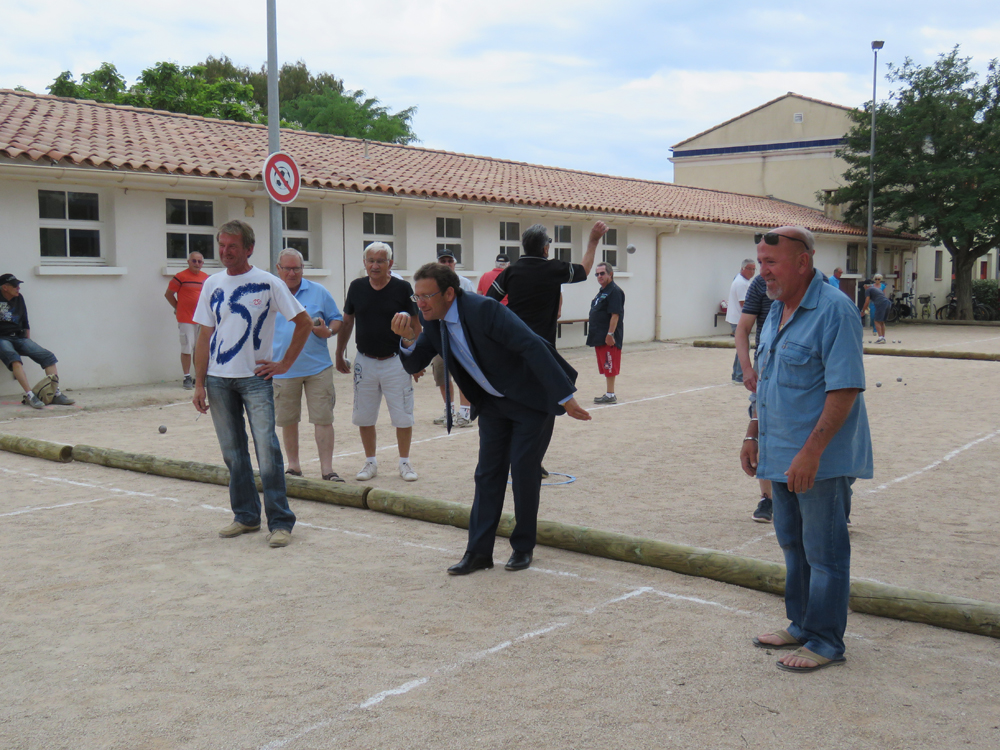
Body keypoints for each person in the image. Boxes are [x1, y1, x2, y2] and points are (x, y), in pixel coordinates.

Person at [391, 262, 591, 574]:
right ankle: (479, 553)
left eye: (426, 296)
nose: (421, 303)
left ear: (449, 293)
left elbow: (532, 344)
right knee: (487, 474)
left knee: (524, 472)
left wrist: (565, 396)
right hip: (495, 403)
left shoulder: (484, 310)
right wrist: (405, 339)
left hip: (530, 399)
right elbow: (415, 361)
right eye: (416, 298)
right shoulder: (432, 320)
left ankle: (522, 548)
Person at [741, 226, 872, 673]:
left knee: (825, 551)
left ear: (803, 262)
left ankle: (826, 641)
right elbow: (767, 377)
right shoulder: (777, 309)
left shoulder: (835, 311)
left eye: (771, 263)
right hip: (779, 452)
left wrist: (812, 453)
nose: (763, 272)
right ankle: (801, 623)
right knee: (792, 544)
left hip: (818, 460)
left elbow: (846, 388)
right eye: (760, 262)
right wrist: (753, 431)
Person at [192, 220, 312, 548]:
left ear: (248, 249)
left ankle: (280, 522)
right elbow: (204, 335)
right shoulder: (212, 284)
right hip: (218, 379)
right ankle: (245, 516)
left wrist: (284, 363)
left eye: (232, 246)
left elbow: (303, 323)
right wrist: (199, 383)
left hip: (256, 379)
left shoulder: (268, 283)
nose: (225, 252)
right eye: (221, 245)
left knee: (268, 451)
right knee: (233, 453)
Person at [487, 220, 607, 475]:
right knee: (546, 407)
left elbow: (489, 304)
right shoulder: (553, 269)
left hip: (513, 350)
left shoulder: (512, 271)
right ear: (544, 249)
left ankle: (514, 458)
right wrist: (594, 240)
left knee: (514, 404)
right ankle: (532, 461)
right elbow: (585, 270)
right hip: (543, 352)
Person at [335, 242, 421, 482]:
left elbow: (416, 325)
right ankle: (370, 462)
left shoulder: (403, 288)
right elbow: (347, 321)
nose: (375, 265)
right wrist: (339, 352)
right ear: (364, 263)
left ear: (390, 264)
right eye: (371, 260)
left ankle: (404, 463)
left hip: (396, 361)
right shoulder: (356, 287)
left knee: (403, 415)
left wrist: (417, 359)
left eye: (380, 261)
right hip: (365, 361)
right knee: (364, 416)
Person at [271, 248, 345, 482]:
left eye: (297, 268)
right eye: (288, 268)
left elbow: (337, 318)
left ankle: (327, 470)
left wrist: (329, 331)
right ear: (278, 269)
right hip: (282, 368)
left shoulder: (318, 291)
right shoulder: (269, 293)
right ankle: (293, 467)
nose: (292, 273)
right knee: (288, 420)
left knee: (323, 418)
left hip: (317, 368)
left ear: (303, 269)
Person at [0, 273, 75, 409]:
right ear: (5, 287)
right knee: (14, 359)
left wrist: (27, 339)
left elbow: (24, 319)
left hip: (19, 337)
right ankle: (30, 395)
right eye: (15, 286)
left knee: (48, 356)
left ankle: (55, 393)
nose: (18, 288)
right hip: (1, 338)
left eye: (18, 285)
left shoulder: (19, 299)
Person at [734, 272, 774, 522]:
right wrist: (747, 368)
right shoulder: (760, 283)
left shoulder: (817, 283)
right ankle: (767, 498)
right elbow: (743, 329)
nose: (765, 267)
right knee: (763, 428)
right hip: (766, 360)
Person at [432, 250, 476, 427]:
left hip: (460, 336)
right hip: (439, 335)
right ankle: (449, 410)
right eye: (443, 261)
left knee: (463, 375)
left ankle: (465, 412)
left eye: (450, 261)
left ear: (455, 264)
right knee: (441, 374)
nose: (447, 264)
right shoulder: (432, 284)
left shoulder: (464, 283)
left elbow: (473, 307)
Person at [164, 251, 209, 389]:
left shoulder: (206, 278)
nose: (197, 264)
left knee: (200, 349)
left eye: (199, 261)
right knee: (187, 348)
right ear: (188, 262)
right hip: (186, 319)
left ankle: (199, 377)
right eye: (194, 261)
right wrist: (178, 307)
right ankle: (187, 377)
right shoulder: (180, 277)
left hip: (202, 320)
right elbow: (168, 294)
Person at [587, 262, 625, 404]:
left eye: (602, 273)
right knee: (605, 365)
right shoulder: (603, 291)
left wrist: (610, 334)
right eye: (597, 274)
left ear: (610, 274)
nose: (599, 276)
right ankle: (609, 393)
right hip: (599, 335)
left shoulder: (614, 291)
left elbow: (615, 315)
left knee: (610, 364)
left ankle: (610, 395)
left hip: (608, 337)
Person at [726, 259, 756, 383]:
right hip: (738, 319)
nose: (752, 272)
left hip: (736, 318)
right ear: (743, 268)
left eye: (754, 269)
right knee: (744, 347)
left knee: (741, 347)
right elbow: (745, 304)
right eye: (750, 269)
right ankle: (739, 375)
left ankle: (736, 375)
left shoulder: (741, 280)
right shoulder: (741, 283)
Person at [860, 278, 891, 344]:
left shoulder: (868, 290)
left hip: (881, 304)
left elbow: (867, 301)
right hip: (888, 303)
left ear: (866, 285)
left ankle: (880, 338)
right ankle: (882, 337)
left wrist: (862, 311)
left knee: (876, 321)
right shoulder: (875, 289)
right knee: (881, 321)